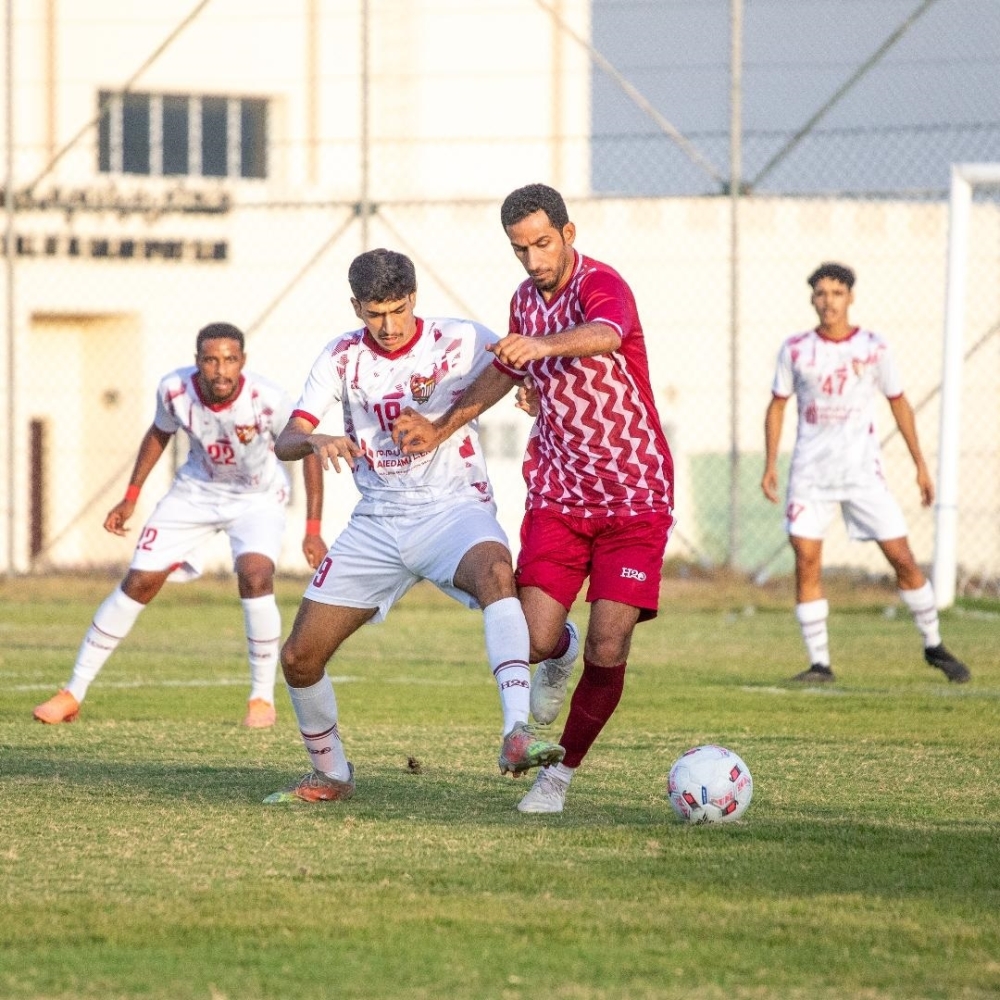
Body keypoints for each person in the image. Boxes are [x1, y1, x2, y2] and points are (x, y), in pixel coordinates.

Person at [393, 183, 675, 815]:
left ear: (568, 234)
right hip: (559, 494)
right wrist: (441, 427)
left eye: (543, 244)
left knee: (612, 643)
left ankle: (560, 777)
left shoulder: (604, 285)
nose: (533, 260)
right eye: (520, 248)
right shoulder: (524, 299)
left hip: (634, 496)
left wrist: (542, 346)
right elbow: (505, 371)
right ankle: (561, 652)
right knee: (535, 642)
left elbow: (605, 334)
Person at [261, 248, 565, 805]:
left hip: (453, 509)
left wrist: (495, 405)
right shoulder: (341, 357)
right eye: (375, 313)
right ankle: (331, 774)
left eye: (398, 310)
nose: (389, 325)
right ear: (356, 307)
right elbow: (287, 437)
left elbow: (515, 366)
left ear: (414, 297)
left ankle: (517, 734)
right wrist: (316, 438)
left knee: (498, 572)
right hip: (377, 522)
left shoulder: (460, 338)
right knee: (299, 658)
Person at [33, 322, 327, 729]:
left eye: (229, 360)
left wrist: (312, 527)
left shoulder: (268, 399)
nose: (220, 370)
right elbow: (159, 433)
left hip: (256, 499)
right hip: (194, 493)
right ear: (197, 363)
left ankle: (261, 700)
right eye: (210, 360)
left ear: (242, 362)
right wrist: (131, 496)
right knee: (139, 581)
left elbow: (309, 451)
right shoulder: (174, 390)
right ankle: (72, 693)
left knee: (257, 575)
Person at [761, 262, 970, 685]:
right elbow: (778, 404)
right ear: (812, 299)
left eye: (837, 293)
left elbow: (898, 401)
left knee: (903, 558)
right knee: (806, 560)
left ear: (850, 298)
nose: (828, 301)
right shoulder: (796, 349)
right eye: (821, 293)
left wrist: (920, 465)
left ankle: (933, 644)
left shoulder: (873, 347)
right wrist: (769, 464)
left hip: (862, 474)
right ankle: (820, 663)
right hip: (810, 475)